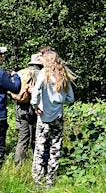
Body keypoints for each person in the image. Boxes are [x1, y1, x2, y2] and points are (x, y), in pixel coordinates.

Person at [30, 51, 75, 189]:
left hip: (43, 116)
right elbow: (71, 98)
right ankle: (50, 180)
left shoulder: (44, 73)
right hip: (58, 117)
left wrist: (35, 105)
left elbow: (36, 90)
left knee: (39, 147)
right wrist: (59, 102)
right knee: (55, 148)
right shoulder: (63, 75)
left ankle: (38, 180)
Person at [13, 54, 43, 165]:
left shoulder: (20, 73)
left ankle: (18, 164)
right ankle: (37, 163)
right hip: (36, 110)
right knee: (37, 137)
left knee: (23, 137)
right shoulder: (41, 74)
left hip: (21, 109)